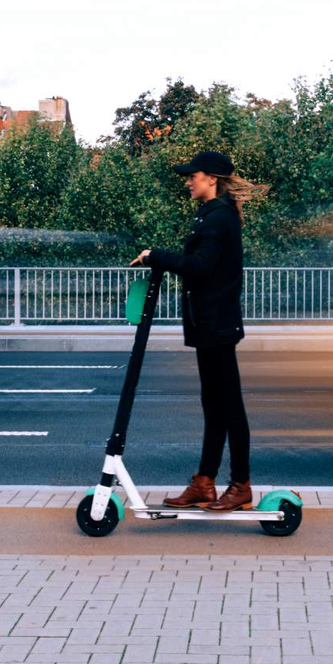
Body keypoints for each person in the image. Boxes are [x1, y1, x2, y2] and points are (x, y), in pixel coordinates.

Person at [131, 150, 265, 511]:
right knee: (215, 404)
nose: (188, 181)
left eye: (193, 175)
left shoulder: (218, 217)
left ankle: (241, 485)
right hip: (211, 324)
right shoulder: (212, 214)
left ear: (211, 179)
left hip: (216, 324)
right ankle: (205, 483)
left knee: (230, 407)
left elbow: (201, 267)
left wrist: (156, 255)